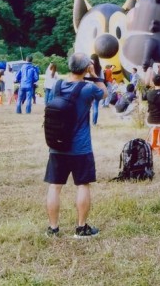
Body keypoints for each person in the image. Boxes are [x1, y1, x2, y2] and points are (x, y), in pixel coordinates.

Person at [44, 53, 105, 238]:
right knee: (82, 185)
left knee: (55, 186)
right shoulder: (88, 89)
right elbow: (105, 92)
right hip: (80, 147)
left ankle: (53, 228)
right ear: (86, 67)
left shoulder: (58, 85)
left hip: (57, 144)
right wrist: (94, 74)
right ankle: (81, 228)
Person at [89, 56, 103, 126]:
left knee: (87, 106)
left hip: (89, 87)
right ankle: (94, 122)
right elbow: (102, 78)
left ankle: (86, 122)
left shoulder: (89, 67)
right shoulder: (100, 68)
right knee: (96, 106)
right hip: (97, 88)